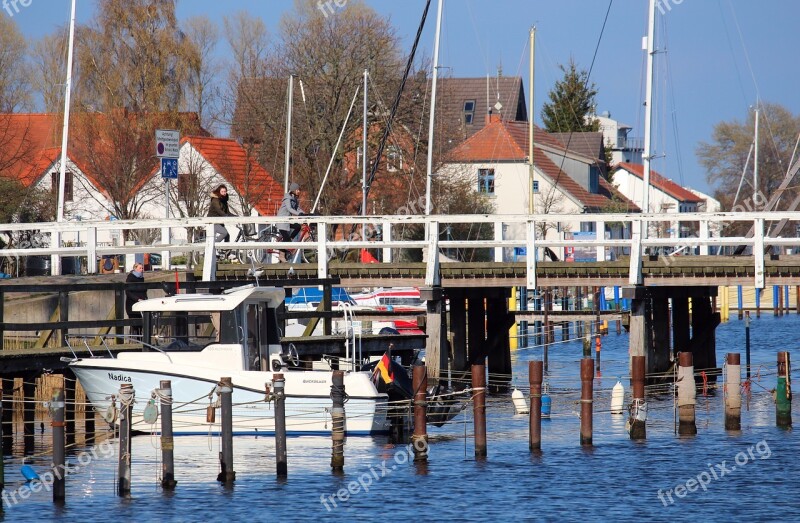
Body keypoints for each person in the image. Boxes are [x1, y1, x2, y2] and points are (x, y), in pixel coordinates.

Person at [277, 182, 305, 260]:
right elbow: (289, 209)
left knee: (298, 227)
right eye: (298, 190)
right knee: (286, 239)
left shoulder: (294, 199)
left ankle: (290, 239)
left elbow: (297, 209)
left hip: (287, 221)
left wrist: (305, 214)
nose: (299, 191)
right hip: (282, 221)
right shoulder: (287, 198)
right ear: (293, 190)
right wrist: (298, 215)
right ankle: (281, 255)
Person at [125, 263, 147, 337]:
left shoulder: (141, 278)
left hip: (141, 304)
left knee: (141, 324)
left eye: (142, 268)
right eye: (140, 268)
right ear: (135, 269)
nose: (142, 270)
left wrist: (145, 298)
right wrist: (137, 299)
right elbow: (128, 292)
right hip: (132, 304)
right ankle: (136, 340)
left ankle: (141, 340)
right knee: (135, 325)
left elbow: (144, 291)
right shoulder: (130, 278)